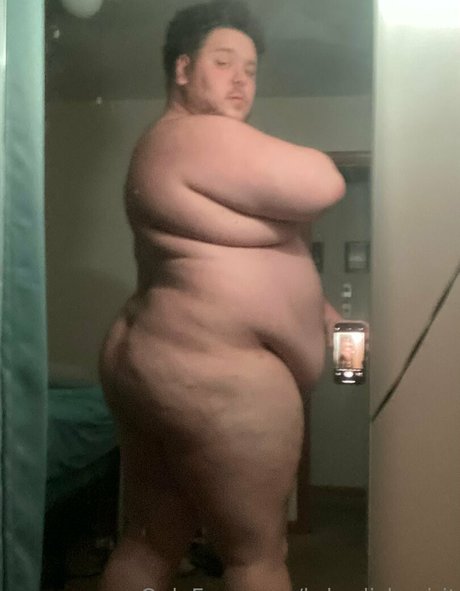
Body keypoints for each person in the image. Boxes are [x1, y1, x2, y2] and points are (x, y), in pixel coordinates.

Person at [97, 2, 345, 590]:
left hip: (157, 362)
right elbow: (324, 182)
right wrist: (285, 228)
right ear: (184, 70)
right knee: (256, 554)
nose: (241, 81)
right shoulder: (193, 134)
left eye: (251, 70)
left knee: (152, 539)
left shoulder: (166, 147)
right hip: (209, 375)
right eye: (224, 62)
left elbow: (220, 256)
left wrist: (320, 311)